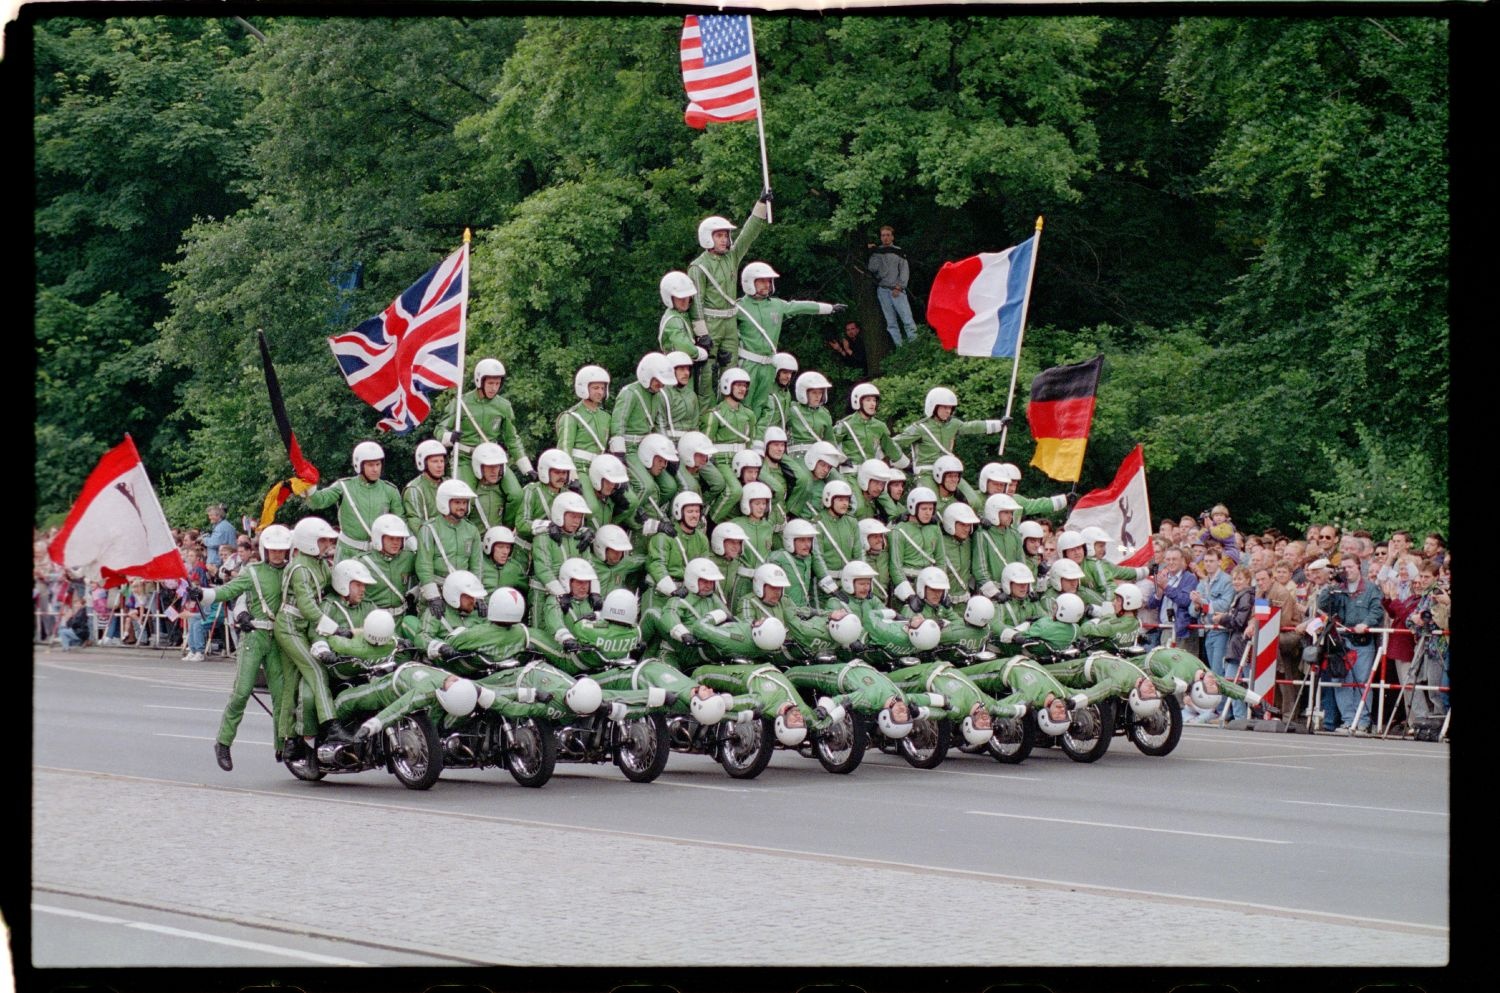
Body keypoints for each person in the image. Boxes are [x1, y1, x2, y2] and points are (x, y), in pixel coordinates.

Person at [689, 191, 773, 402]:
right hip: (710, 322)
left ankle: (728, 415)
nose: (725, 240)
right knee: (706, 372)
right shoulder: (698, 267)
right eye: (720, 235)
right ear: (708, 237)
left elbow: (748, 234)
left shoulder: (732, 257)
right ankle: (705, 413)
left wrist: (761, 204)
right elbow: (696, 302)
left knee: (732, 371)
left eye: (726, 235)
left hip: (730, 322)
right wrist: (702, 333)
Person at [734, 261, 844, 411]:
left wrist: (828, 308)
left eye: (769, 281)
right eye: (762, 281)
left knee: (761, 405)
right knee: (742, 405)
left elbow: (800, 307)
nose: (767, 285)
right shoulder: (739, 307)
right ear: (749, 282)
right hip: (748, 363)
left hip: (769, 365)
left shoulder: (777, 305)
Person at [436, 357, 535, 483]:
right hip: (465, 458)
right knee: (466, 495)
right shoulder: (461, 402)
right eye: (490, 383)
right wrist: (449, 437)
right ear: (479, 381)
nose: (494, 388)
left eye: (497, 383)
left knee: (516, 494)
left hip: (492, 459)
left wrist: (527, 468)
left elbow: (512, 439)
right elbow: (439, 429)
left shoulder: (504, 406)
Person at [302, 442, 407, 561]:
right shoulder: (344, 486)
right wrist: (308, 488)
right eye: (370, 465)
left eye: (378, 464)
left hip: (377, 556)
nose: (375, 469)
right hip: (347, 553)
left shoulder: (390, 490)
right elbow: (319, 502)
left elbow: (400, 521)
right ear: (359, 465)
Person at [892, 388, 1007, 479]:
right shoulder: (919, 428)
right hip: (926, 472)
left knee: (972, 500)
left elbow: (972, 427)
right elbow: (893, 443)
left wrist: (999, 424)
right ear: (933, 407)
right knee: (928, 499)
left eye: (950, 408)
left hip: (948, 470)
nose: (948, 411)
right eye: (944, 407)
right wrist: (904, 463)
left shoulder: (954, 424)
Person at [414, 479, 484, 617]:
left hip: (463, 595)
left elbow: (477, 566)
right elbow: (424, 565)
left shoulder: (472, 530)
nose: (462, 507)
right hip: (437, 592)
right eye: (457, 502)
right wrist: (433, 596)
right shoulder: (430, 529)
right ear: (444, 502)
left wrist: (478, 595)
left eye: (464, 502)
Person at [833, 383, 908, 470]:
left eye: (874, 400)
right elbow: (829, 443)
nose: (872, 404)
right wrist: (842, 459)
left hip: (871, 475)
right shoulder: (846, 424)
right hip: (850, 475)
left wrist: (906, 465)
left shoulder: (880, 426)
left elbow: (891, 448)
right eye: (868, 400)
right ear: (857, 401)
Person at [609, 353, 671, 456]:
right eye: (657, 380)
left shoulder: (658, 395)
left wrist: (668, 449)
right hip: (629, 448)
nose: (661, 384)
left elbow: (660, 424)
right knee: (642, 473)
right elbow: (619, 422)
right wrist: (618, 451)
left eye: (663, 381)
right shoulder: (630, 392)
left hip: (648, 447)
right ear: (647, 375)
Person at [867, 224, 918, 346]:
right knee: (891, 323)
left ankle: (915, 345)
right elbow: (872, 268)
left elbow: (905, 271)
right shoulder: (877, 252)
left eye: (888, 235)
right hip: (883, 290)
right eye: (883, 235)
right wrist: (871, 252)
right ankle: (900, 348)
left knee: (907, 320)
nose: (885, 238)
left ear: (892, 237)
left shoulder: (899, 252)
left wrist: (899, 287)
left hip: (897, 290)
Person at [556, 365, 613, 472]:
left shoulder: (606, 417)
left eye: (603, 388)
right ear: (583, 388)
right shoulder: (571, 416)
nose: (600, 392)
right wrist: (570, 474)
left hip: (600, 469)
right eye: (595, 388)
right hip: (578, 468)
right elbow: (564, 450)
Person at [403, 439, 449, 536]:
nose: (440, 465)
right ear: (423, 463)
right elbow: (416, 523)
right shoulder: (414, 489)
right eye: (435, 461)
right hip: (430, 540)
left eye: (442, 461)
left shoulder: (450, 484)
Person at [203, 504, 238, 570]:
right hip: (225, 561)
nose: (209, 517)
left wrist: (204, 539)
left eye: (211, 515)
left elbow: (214, 543)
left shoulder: (221, 527)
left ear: (218, 515)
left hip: (219, 562)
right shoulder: (225, 525)